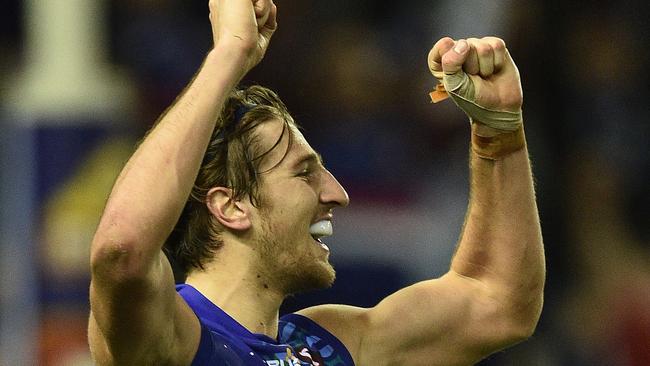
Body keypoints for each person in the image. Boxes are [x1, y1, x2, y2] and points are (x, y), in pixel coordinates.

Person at [88, 0, 545, 365]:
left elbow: (497, 302)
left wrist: (499, 132)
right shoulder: (172, 337)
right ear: (230, 206)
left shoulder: (331, 345)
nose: (337, 194)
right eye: (304, 172)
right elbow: (121, 250)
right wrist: (229, 53)